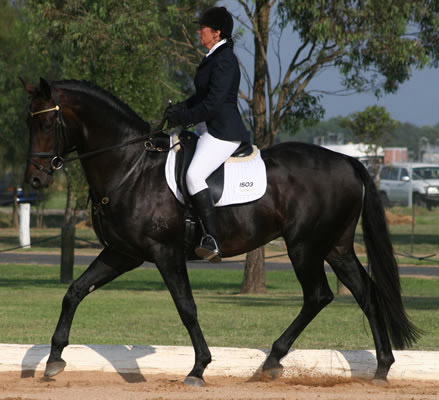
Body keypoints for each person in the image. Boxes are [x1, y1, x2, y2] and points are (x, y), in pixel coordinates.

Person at [165, 6, 250, 263]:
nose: (198, 31)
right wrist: (179, 108)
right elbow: (201, 98)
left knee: (194, 175)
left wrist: (184, 117)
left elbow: (212, 104)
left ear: (217, 32)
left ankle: (211, 238)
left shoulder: (224, 59)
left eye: (202, 28)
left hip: (223, 132)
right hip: (208, 129)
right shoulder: (213, 55)